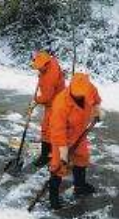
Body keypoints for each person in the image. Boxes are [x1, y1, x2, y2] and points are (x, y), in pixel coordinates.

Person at [48, 73, 102, 210]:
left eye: (82, 95)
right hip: (62, 137)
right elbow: (57, 131)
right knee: (58, 165)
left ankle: (80, 186)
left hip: (80, 133)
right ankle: (53, 197)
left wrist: (96, 110)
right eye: (77, 95)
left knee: (82, 158)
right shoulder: (61, 103)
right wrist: (63, 152)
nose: (80, 97)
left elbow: (96, 99)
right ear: (71, 88)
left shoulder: (89, 89)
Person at [31, 50, 66, 167]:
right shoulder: (51, 61)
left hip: (55, 103)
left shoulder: (49, 78)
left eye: (40, 68)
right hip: (59, 97)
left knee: (47, 129)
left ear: (45, 64)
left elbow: (46, 97)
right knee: (53, 127)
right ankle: (51, 151)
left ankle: (45, 156)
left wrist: (36, 100)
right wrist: (41, 73)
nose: (38, 69)